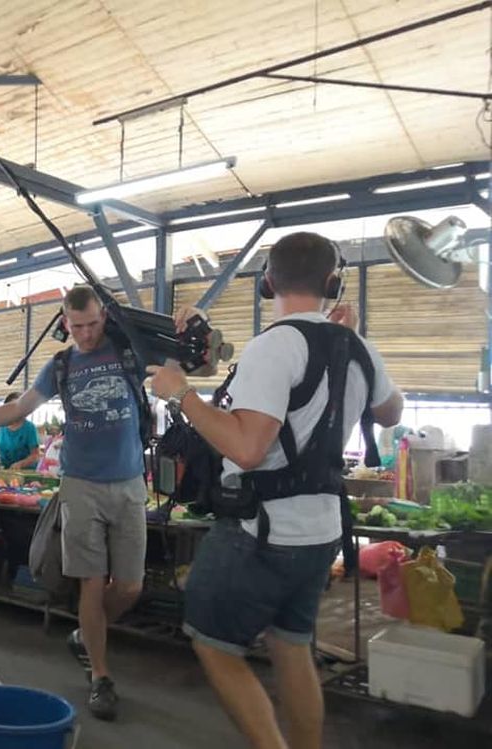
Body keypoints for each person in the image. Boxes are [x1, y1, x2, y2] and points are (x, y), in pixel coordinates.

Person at [149, 232, 403, 749]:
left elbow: (247, 449)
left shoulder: (274, 346)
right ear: (333, 283)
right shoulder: (357, 346)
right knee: (292, 647)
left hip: (261, 531)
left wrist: (183, 396)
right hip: (322, 532)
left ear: (267, 283)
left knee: (213, 642)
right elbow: (391, 412)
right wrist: (351, 345)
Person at [0, 285, 146, 721]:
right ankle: (101, 677)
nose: (85, 334)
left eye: (92, 324)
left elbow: (191, 365)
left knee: (130, 586)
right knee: (91, 582)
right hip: (80, 485)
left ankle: (87, 633)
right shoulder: (61, 366)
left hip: (129, 483)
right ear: (65, 322)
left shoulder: (129, 353)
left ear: (104, 317)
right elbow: (17, 410)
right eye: (77, 326)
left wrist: (193, 321)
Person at [0, 392, 40, 470]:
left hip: (24, 473)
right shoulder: (2, 426)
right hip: (5, 471)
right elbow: (2, 445)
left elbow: (35, 455)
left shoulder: (29, 428)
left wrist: (21, 464)